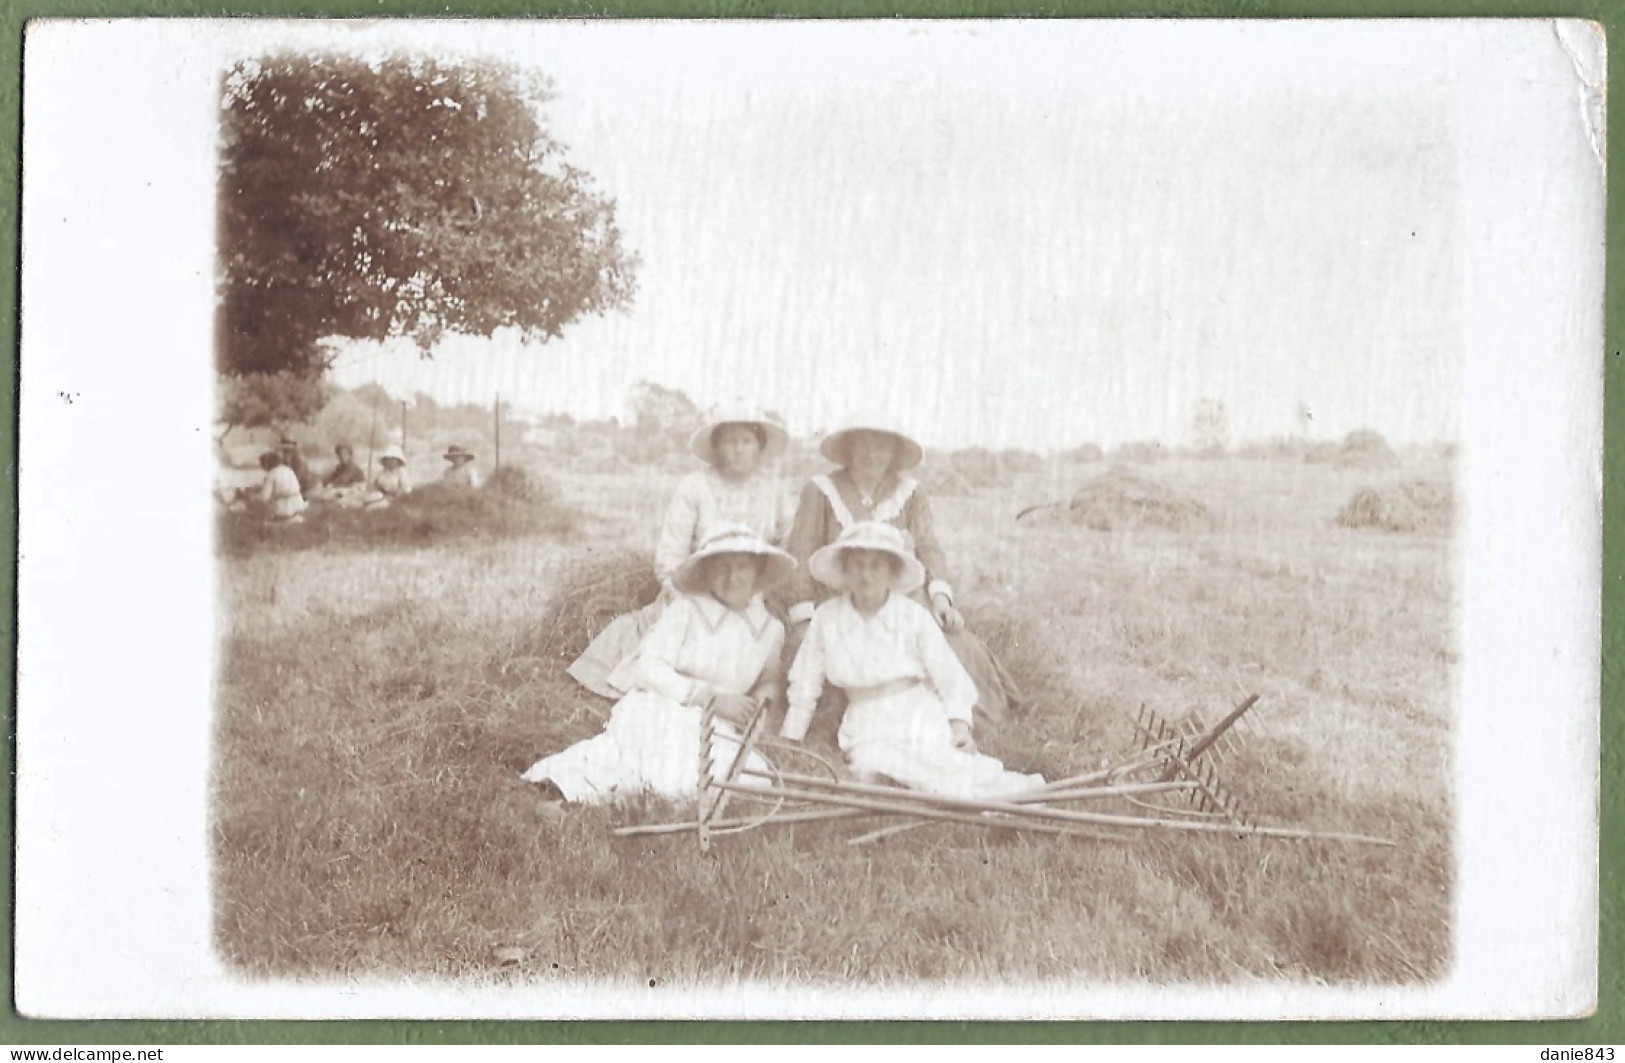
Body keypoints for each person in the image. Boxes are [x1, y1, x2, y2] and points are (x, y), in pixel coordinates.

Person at [523, 523, 794, 806]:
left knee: (747, 778)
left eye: (742, 567)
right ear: (708, 572)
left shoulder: (770, 629)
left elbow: (768, 679)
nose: (731, 577)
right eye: (721, 567)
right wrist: (710, 698)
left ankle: (622, 799)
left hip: (717, 725)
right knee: (663, 763)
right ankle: (566, 795)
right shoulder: (687, 610)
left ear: (759, 571)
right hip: (662, 708)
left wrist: (760, 705)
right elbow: (648, 668)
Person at [783, 419, 1020, 728]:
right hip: (842, 596)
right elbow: (801, 551)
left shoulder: (911, 493)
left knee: (956, 645)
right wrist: (803, 614)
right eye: (864, 445)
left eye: (881, 447)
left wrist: (940, 597)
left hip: (902, 596)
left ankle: (960, 719)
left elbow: (928, 546)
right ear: (849, 448)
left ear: (894, 453)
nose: (872, 455)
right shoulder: (821, 490)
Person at [779, 522, 1043, 799]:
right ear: (844, 570)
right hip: (865, 722)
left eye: (875, 566)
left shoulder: (912, 615)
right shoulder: (827, 617)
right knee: (872, 768)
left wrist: (960, 727)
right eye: (857, 565)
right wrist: (791, 738)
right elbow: (805, 682)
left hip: (916, 713)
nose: (866, 575)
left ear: (892, 572)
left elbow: (949, 677)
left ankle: (1007, 796)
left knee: (940, 763)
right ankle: (916, 793)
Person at [566, 405, 792, 699]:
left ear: (759, 445)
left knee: (754, 650)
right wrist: (692, 603)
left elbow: (788, 540)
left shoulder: (773, 490)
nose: (738, 449)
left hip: (746, 593)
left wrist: (759, 585)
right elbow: (670, 556)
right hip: (696, 589)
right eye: (730, 441)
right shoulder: (695, 486)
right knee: (673, 648)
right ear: (717, 445)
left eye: (746, 441)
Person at [255, 450, 307, 523]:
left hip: (284, 509)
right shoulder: (288, 470)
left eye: (262, 465)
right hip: (298, 505)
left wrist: (250, 497)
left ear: (267, 464)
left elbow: (263, 498)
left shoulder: (271, 474)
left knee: (259, 514)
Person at [364, 444, 412, 509]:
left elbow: (406, 491)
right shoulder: (382, 472)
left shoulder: (402, 473)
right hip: (381, 496)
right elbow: (374, 485)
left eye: (393, 460)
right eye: (388, 460)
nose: (390, 462)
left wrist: (394, 497)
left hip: (395, 499)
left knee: (373, 508)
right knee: (368, 499)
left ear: (398, 461)